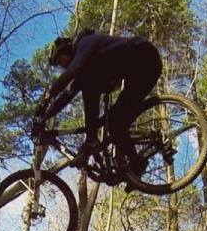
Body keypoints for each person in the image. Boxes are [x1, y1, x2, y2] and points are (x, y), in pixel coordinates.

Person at [34, 29, 162, 179]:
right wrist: (43, 117)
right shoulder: (86, 69)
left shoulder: (85, 42)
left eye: (60, 60)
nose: (62, 66)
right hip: (142, 71)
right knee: (115, 124)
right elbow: (66, 97)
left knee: (89, 87)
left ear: (67, 49)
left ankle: (91, 140)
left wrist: (46, 98)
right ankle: (136, 165)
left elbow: (72, 72)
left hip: (143, 55)